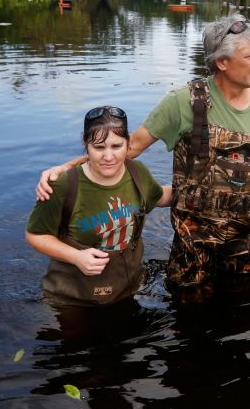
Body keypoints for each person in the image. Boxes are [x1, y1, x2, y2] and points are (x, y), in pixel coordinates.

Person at [36, 15, 250, 298]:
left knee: (243, 308)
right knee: (186, 312)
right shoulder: (185, 101)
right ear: (222, 62)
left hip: (248, 240)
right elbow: (130, 147)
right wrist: (66, 167)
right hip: (193, 244)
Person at [26, 106, 171, 306]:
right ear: (86, 145)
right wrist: (76, 257)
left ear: (128, 144)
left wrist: (200, 189)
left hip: (129, 288)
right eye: (99, 147)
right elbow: (36, 235)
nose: (109, 156)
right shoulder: (62, 185)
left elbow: (160, 196)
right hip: (75, 299)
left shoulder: (138, 172)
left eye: (117, 146)